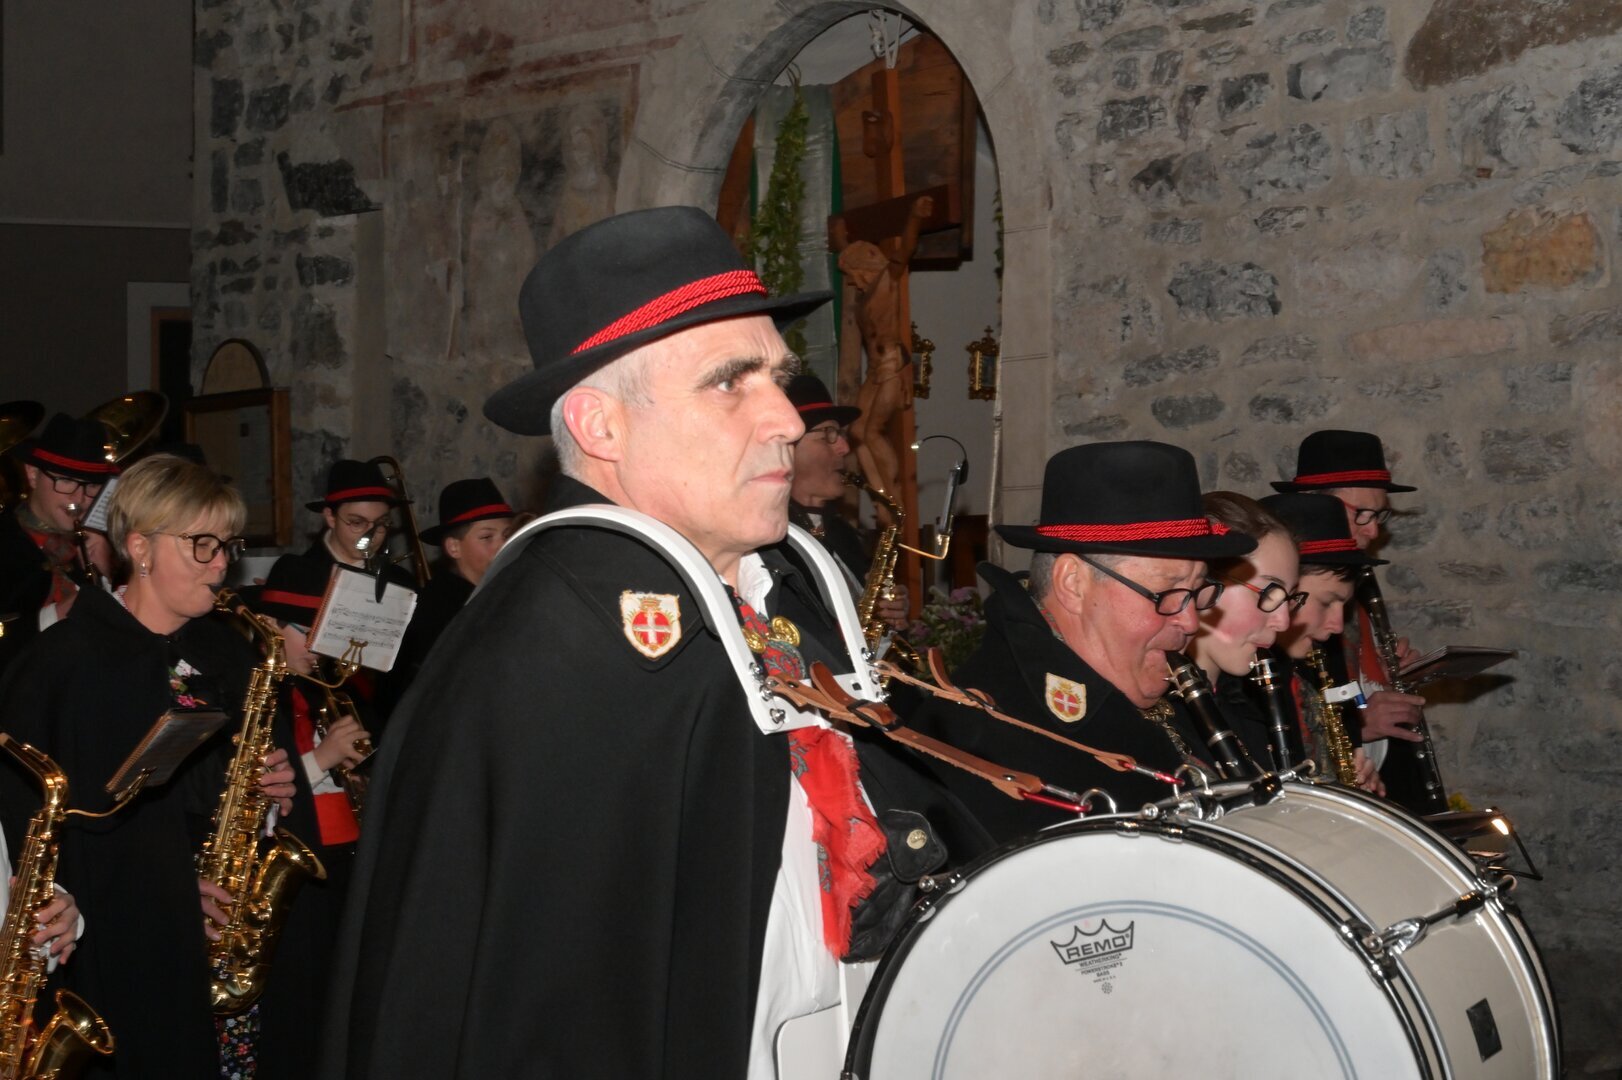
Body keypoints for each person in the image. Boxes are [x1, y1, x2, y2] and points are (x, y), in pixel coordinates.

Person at [321, 206, 927, 1079]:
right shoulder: (545, 652)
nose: (788, 420)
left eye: (779, 378)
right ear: (601, 426)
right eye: (731, 382)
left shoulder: (785, 593)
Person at [0, 454, 296, 1080]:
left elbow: (229, 790)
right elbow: (31, 828)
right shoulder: (63, 662)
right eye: (202, 544)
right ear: (140, 547)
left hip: (214, 933)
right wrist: (167, 888)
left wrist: (270, 796)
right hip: (114, 950)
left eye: (228, 545)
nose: (221, 563)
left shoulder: (227, 652)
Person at [909, 440, 1256, 844]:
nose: (1191, 620)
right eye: (1167, 593)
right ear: (1073, 583)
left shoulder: (1160, 691)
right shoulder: (980, 736)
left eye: (1196, 592)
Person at [242, 554, 371, 1080]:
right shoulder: (253, 692)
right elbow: (253, 790)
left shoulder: (319, 690)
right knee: (294, 1013)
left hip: (340, 863)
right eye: (306, 634)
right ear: (268, 626)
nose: (318, 650)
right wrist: (320, 759)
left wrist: (354, 774)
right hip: (293, 875)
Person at [1272, 430, 1429, 805]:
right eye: (1360, 513)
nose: (1373, 530)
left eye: (1379, 515)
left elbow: (1342, 688)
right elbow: (1299, 706)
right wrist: (1358, 721)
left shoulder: (1347, 586)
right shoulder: (1288, 602)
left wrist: (1377, 684)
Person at [1259, 492, 1389, 793]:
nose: (1337, 625)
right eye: (1325, 602)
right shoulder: (1242, 684)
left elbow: (1351, 700)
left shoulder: (1316, 661)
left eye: (1344, 606)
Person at [1178, 492, 1305, 773]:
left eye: (1289, 599)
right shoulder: (1159, 714)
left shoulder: (1249, 706)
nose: (1283, 622)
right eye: (1268, 593)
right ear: (1204, 582)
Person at [379, 478, 515, 713]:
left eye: (507, 535)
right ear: (454, 547)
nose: (502, 545)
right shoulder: (437, 609)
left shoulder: (501, 591)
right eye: (487, 537)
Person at [832, 194, 932, 508]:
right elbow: (847, 254)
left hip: (891, 364)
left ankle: (895, 499)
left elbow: (905, 250)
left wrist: (915, 217)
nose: (853, 283)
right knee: (857, 431)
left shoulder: (888, 279)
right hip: (875, 370)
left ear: (864, 268)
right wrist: (840, 237)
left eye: (853, 276)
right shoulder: (863, 298)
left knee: (873, 431)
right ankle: (882, 498)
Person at [784, 373, 906, 629]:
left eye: (839, 433)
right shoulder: (769, 543)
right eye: (828, 434)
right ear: (788, 447)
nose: (844, 447)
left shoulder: (842, 533)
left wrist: (887, 614)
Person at [0, 414, 118, 675]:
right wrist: (52, 617)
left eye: (91, 486)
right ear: (33, 475)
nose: (79, 498)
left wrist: (107, 577)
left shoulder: (103, 546)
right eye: (65, 480)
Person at [302, 459, 417, 590]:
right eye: (357, 522)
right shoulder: (295, 576)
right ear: (331, 518)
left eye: (380, 523)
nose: (371, 535)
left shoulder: (402, 582)